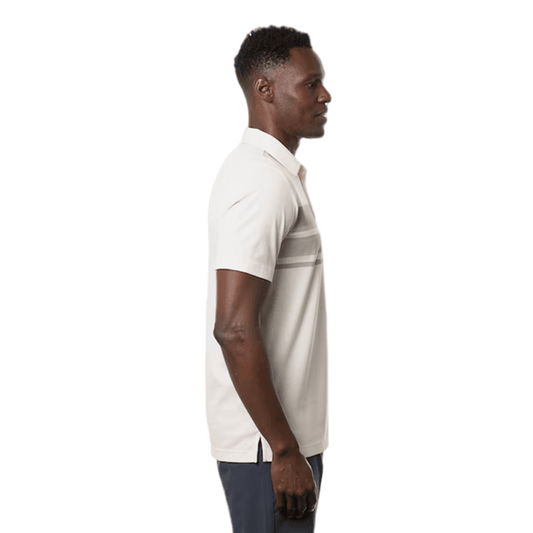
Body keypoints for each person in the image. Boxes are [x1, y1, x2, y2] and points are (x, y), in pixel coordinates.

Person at [204, 22, 333, 532]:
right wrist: (283, 449)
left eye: (323, 82)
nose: (326, 95)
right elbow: (234, 327)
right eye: (311, 84)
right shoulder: (261, 181)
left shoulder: (277, 174)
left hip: (281, 445)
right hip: (269, 451)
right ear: (265, 90)